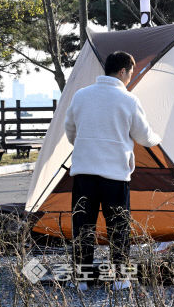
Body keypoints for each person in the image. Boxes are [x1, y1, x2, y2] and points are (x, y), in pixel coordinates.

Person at [65, 51, 161, 291]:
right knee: (119, 229)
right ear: (122, 72)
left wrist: (86, 144)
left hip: (84, 173)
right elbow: (144, 136)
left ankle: (82, 280)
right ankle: (120, 278)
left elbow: (70, 131)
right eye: (130, 72)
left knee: (83, 227)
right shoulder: (128, 100)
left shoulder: (81, 96)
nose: (130, 77)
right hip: (115, 177)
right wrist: (158, 136)